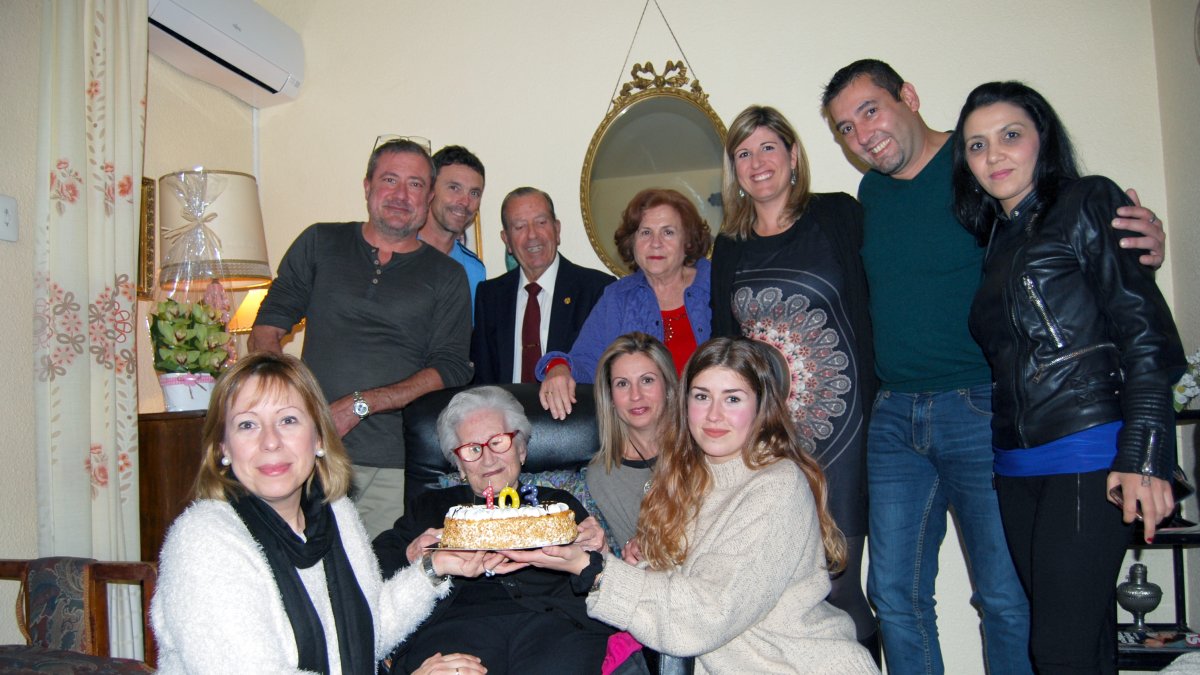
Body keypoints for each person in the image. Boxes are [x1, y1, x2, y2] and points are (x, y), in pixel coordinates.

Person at [821, 59, 1167, 674]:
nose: (862, 135)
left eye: (870, 110)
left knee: (1007, 598)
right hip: (895, 414)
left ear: (908, 96)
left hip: (982, 407)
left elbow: (1060, 222)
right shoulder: (873, 194)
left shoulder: (976, 168)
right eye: (846, 128)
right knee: (893, 595)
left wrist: (1137, 238)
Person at [951, 81, 1184, 674]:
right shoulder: (996, 237)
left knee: (1057, 653)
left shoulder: (1087, 202)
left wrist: (1147, 453)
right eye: (977, 145)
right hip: (1015, 466)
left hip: (1090, 451)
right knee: (1083, 645)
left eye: (1010, 135)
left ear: (1043, 139)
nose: (994, 155)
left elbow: (1146, 333)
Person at [505, 338, 879, 673]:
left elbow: (705, 615)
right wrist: (610, 556)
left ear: (761, 407)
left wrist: (594, 569)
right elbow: (678, 584)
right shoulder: (688, 477)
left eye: (732, 399)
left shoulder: (777, 485)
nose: (714, 415)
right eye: (702, 397)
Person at [150, 352, 488, 675]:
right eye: (248, 425)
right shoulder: (203, 541)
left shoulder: (337, 514)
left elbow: (369, 633)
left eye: (288, 420)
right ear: (223, 447)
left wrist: (433, 568)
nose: (271, 441)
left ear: (319, 438)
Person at [710, 105, 877, 656]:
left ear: (793, 155)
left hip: (844, 432)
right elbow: (725, 346)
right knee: (787, 595)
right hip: (773, 441)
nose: (757, 162)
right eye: (744, 153)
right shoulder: (729, 245)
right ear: (734, 171)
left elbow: (884, 292)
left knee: (841, 586)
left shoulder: (838, 215)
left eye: (768, 148)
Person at [250, 137, 474, 538]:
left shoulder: (447, 275)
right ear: (368, 186)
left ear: (428, 198)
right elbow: (267, 329)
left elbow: (451, 366)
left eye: (415, 184)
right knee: (299, 563)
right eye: (390, 180)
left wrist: (361, 404)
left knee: (379, 569)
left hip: (393, 464)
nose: (401, 195)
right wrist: (289, 406)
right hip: (309, 453)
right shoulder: (319, 242)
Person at [372, 386, 614, 674]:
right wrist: (412, 557)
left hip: (554, 622)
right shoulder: (431, 507)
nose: (487, 459)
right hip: (455, 627)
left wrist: (600, 552)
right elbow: (373, 567)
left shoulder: (557, 506)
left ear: (521, 449)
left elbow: (598, 578)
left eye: (498, 442)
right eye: (473, 449)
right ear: (459, 464)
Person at [538, 188, 712, 419]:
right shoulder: (617, 297)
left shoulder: (715, 284)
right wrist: (558, 367)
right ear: (632, 242)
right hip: (645, 431)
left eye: (668, 232)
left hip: (712, 425)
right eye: (645, 232)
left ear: (687, 241)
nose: (656, 243)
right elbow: (586, 362)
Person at [470, 187, 615, 384]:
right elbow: (483, 378)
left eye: (541, 222)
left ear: (557, 229)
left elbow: (606, 374)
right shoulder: (489, 296)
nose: (532, 235)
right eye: (520, 226)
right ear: (507, 240)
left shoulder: (597, 290)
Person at [585, 332, 678, 555]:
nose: (635, 395)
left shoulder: (701, 447)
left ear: (667, 386)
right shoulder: (604, 475)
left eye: (647, 380)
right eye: (622, 384)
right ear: (610, 397)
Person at [421, 145, 487, 314]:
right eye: (454, 188)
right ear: (430, 189)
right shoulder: (395, 252)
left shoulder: (475, 270)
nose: (465, 202)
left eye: (474, 193)